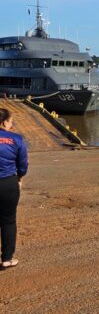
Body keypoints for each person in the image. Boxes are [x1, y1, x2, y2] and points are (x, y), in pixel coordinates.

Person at [0, 108, 27, 269]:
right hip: (8, 183)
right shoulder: (16, 139)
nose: (12, 125)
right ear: (4, 122)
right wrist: (20, 178)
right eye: (11, 122)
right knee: (8, 220)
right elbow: (23, 164)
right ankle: (7, 259)